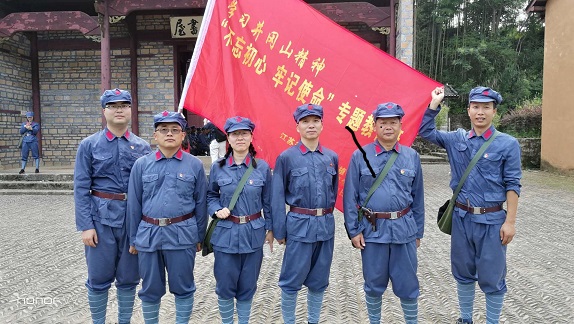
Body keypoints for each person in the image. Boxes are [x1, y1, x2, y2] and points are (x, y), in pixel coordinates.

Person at [421, 87, 521, 324]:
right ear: (468, 111)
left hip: (492, 221)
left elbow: (513, 185)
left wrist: (510, 222)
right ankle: (465, 319)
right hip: (462, 219)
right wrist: (434, 103)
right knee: (463, 271)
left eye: (486, 107)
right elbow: (426, 131)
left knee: (492, 274)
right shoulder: (456, 139)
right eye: (476, 107)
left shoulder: (508, 144)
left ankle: (492, 321)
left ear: (494, 112)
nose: (480, 112)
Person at [74, 88, 151, 324]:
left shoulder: (142, 147)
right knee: (98, 277)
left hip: (132, 220)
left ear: (130, 110)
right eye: (113, 106)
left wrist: (144, 229)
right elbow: (80, 188)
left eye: (124, 105)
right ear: (104, 111)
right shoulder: (89, 145)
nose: (119, 110)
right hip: (100, 220)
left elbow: (147, 191)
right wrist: (86, 226)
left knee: (129, 278)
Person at [343, 102, 424, 324]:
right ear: (375, 126)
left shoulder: (411, 156)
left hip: (404, 230)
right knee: (373, 284)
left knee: (408, 284)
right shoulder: (360, 156)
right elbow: (350, 196)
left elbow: (418, 198)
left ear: (400, 126)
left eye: (393, 122)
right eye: (383, 123)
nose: (388, 127)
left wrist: (418, 232)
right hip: (372, 230)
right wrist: (353, 231)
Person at [126, 110, 208, 324]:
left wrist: (199, 236)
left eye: (175, 130)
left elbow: (201, 203)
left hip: (182, 235)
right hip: (149, 235)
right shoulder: (142, 165)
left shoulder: (195, 165)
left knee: (183, 287)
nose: (169, 134)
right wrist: (134, 239)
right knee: (150, 288)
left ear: (183, 135)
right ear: (155, 136)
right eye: (163, 130)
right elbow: (134, 205)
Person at [271, 103, 339, 324]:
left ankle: (313, 320)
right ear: (297, 127)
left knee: (319, 280)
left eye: (315, 121)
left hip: (326, 226)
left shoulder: (331, 157)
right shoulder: (287, 158)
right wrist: (279, 230)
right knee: (291, 280)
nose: (311, 125)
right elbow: (277, 196)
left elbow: (334, 190)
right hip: (299, 226)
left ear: (322, 125)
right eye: (305, 122)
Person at [206, 116, 273, 324]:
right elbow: (210, 195)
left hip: (253, 234)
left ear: (251, 137)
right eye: (235, 134)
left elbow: (268, 201)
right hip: (225, 235)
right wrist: (216, 209)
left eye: (244, 133)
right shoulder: (218, 167)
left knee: (247, 286)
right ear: (228, 138)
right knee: (225, 286)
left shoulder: (261, 168)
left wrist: (270, 229)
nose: (240, 138)